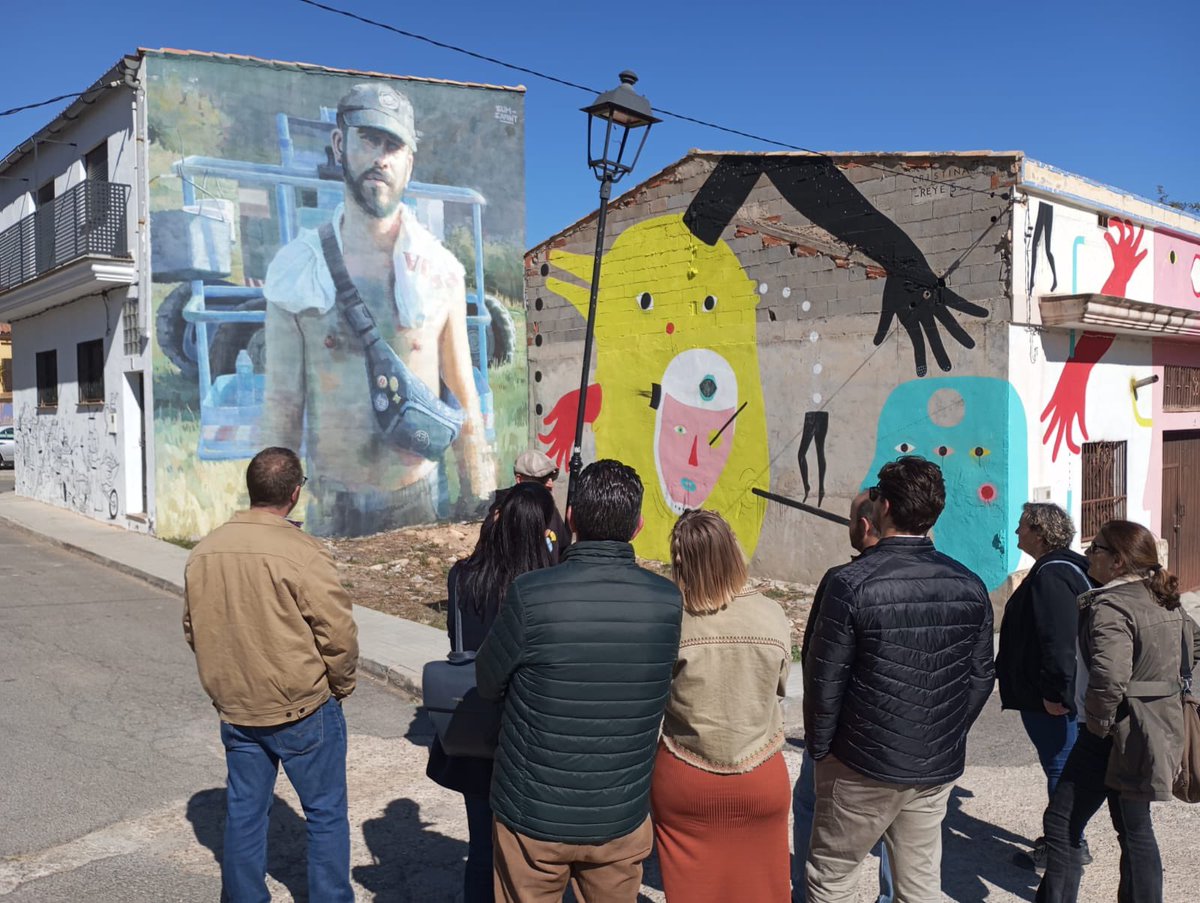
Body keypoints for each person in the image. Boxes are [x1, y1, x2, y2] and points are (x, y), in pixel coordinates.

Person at [263, 82, 495, 537]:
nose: (380, 157)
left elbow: (463, 394)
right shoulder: (296, 269)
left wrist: (480, 507)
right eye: (369, 139)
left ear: (409, 163)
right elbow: (282, 406)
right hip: (331, 503)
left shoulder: (440, 271)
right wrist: (267, 520)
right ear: (339, 144)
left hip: (416, 500)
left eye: (394, 146)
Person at [476, 459, 683, 903]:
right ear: (639, 525)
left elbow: (487, 681)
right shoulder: (667, 603)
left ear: (570, 517)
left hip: (532, 818)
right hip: (618, 817)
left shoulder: (531, 594)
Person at [803, 455, 994, 903]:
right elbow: (980, 677)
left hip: (860, 763)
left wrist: (822, 750)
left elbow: (823, 680)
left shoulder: (850, 583)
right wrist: (943, 734)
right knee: (919, 884)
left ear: (883, 507)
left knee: (832, 878)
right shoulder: (970, 584)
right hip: (931, 765)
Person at [182, 447, 358, 902]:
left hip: (238, 707)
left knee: (244, 812)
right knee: (324, 814)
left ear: (251, 489)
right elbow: (337, 632)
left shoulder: (205, 550)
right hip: (303, 707)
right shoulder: (303, 552)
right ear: (296, 493)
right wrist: (340, 685)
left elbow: (193, 627)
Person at [1037, 520, 1200, 903]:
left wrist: (1099, 725)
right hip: (1152, 729)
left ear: (1118, 561)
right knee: (1134, 827)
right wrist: (1161, 685)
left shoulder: (1110, 604)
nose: (1088, 555)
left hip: (1113, 733)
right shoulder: (1161, 597)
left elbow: (1109, 677)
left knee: (1061, 825)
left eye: (1096, 549)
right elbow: (1193, 643)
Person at [426, 481, 558, 903]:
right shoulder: (545, 585)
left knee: (481, 849)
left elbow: (456, 640)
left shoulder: (463, 576)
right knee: (536, 855)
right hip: (534, 734)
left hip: (478, 728)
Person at [651, 509, 792, 902]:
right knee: (762, 889)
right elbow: (779, 687)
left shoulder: (669, 619)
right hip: (760, 772)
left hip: (685, 774)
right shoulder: (772, 614)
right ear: (733, 549)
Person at [792, 491, 893, 903]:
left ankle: (805, 890)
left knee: (811, 811)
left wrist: (818, 741)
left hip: (847, 738)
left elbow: (819, 665)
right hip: (914, 740)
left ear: (865, 525)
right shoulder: (952, 576)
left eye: (851, 519)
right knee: (900, 834)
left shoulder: (843, 581)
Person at [996, 502, 1095, 871]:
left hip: (1053, 698)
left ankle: (1065, 846)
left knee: (1060, 766)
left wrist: (1055, 693)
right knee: (1062, 764)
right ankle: (1066, 839)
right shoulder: (1070, 567)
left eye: (1023, 526)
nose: (1018, 532)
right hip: (1063, 692)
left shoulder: (1052, 574)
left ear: (1039, 531)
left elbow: (1058, 640)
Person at [494, 449, 571, 561]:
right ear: (519, 479)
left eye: (551, 478)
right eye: (542, 479)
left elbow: (563, 550)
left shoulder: (550, 509)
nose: (550, 484)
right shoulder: (504, 513)